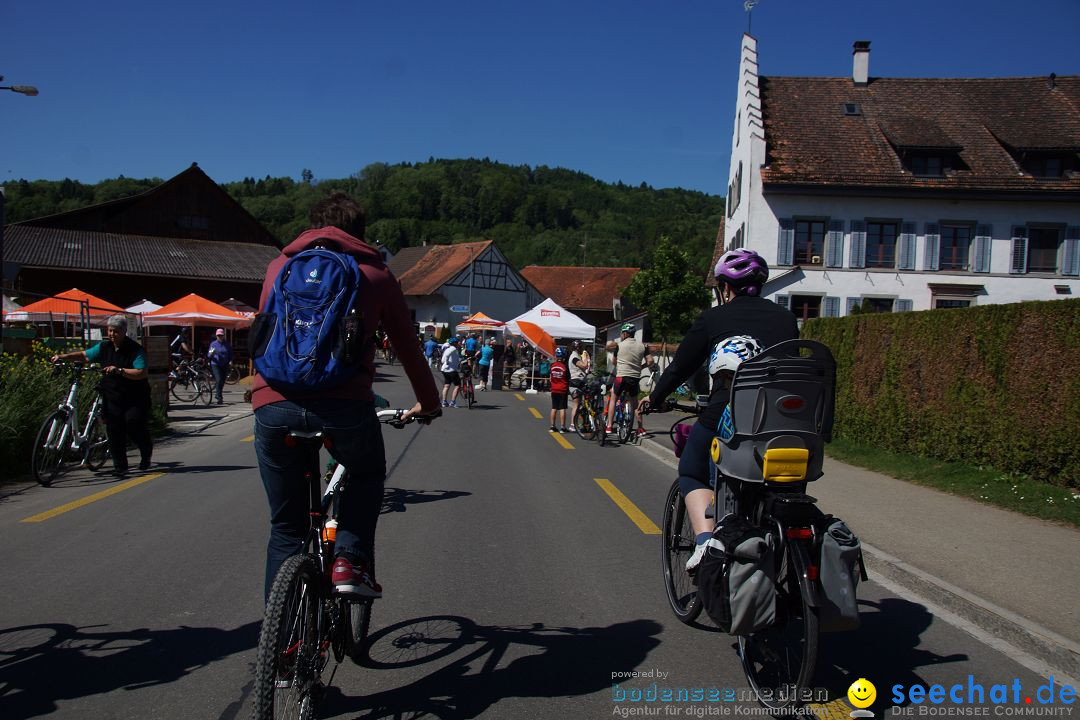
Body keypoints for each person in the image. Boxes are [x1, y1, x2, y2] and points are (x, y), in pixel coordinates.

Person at [250, 192, 441, 600]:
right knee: (367, 473)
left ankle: (277, 643)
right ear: (360, 231)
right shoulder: (376, 274)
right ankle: (349, 560)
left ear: (312, 226)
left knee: (286, 528)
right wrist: (429, 401)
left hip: (274, 403)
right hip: (344, 405)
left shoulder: (278, 266)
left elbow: (263, 331)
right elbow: (408, 347)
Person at [639, 249, 798, 573]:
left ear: (725, 288)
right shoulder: (786, 319)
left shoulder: (714, 319)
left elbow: (680, 368)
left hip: (727, 418)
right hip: (779, 425)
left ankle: (705, 542)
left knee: (691, 470)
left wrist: (655, 399)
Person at [51, 314, 152, 476]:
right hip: (112, 395)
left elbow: (141, 372)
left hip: (135, 396)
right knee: (114, 429)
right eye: (110, 330)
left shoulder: (135, 349)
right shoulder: (104, 347)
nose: (112, 334)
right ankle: (121, 466)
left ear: (124, 331)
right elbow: (85, 355)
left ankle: (146, 452)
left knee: (133, 424)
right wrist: (64, 357)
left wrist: (119, 370)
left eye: (116, 331)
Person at [604, 323, 653, 438]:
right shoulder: (642, 346)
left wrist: (621, 364)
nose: (621, 335)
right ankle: (640, 428)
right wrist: (641, 367)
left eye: (621, 333)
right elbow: (650, 361)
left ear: (625, 333)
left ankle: (609, 425)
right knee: (635, 404)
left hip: (621, 377)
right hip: (634, 378)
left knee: (613, 397)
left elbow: (614, 362)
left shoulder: (619, 346)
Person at [567, 340, 590, 432]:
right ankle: (573, 424)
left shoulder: (575, 356)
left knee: (580, 404)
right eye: (581, 347)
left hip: (579, 382)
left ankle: (580, 423)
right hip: (575, 383)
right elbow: (584, 366)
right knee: (576, 404)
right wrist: (586, 358)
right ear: (578, 348)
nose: (582, 349)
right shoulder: (574, 357)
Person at [207, 328, 233, 404]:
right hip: (215, 364)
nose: (220, 337)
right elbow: (209, 355)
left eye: (221, 335)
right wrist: (212, 353)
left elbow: (230, 353)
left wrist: (231, 361)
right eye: (218, 335)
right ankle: (219, 396)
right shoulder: (213, 344)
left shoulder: (227, 344)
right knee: (218, 379)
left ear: (223, 335)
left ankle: (218, 394)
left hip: (225, 364)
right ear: (216, 336)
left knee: (222, 381)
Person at [548, 347, 570, 433]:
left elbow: (550, 376)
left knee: (554, 407)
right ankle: (563, 427)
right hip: (562, 389)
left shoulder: (552, 366)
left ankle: (552, 426)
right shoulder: (565, 367)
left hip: (554, 389)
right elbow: (568, 378)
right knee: (562, 408)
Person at [440, 336, 463, 408]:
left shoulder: (448, 348)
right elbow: (446, 356)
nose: (459, 343)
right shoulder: (453, 348)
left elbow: (443, 359)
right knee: (457, 386)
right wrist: (447, 362)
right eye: (458, 342)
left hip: (445, 370)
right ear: (455, 343)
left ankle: (444, 402)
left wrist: (446, 362)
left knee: (447, 385)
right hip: (451, 370)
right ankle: (452, 402)